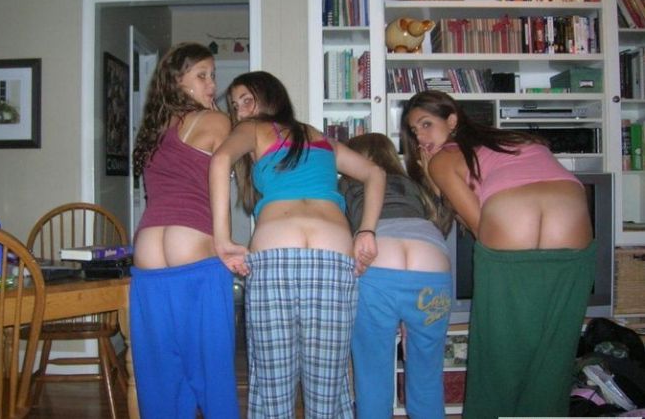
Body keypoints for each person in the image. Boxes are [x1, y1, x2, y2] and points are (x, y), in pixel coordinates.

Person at [400, 90, 596, 418]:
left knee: (497, 350)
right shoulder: (516, 139)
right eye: (413, 131)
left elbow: (479, 227)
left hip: (513, 219)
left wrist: (434, 182)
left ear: (452, 120)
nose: (420, 137)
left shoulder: (442, 160)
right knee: (555, 348)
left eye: (426, 124)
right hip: (571, 217)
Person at [209, 70, 386, 418]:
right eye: (235, 105)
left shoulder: (253, 129)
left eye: (247, 100)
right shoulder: (319, 137)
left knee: (272, 384)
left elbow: (219, 159)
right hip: (332, 259)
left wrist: (222, 240)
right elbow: (376, 173)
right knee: (328, 385)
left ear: (270, 97)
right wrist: (366, 231)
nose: (241, 111)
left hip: (276, 260)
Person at [130, 42, 239, 419]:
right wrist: (224, 241)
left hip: (147, 250)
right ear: (178, 81)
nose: (213, 85)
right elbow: (224, 188)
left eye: (213, 76)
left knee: (161, 377)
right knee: (212, 372)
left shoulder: (153, 130)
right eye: (202, 75)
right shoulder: (216, 121)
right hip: (191, 243)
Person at [339, 132, 452, 419]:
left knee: (372, 373)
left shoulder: (347, 183)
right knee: (427, 371)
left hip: (378, 264)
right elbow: (442, 225)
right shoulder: (413, 184)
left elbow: (341, 235)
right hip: (431, 266)